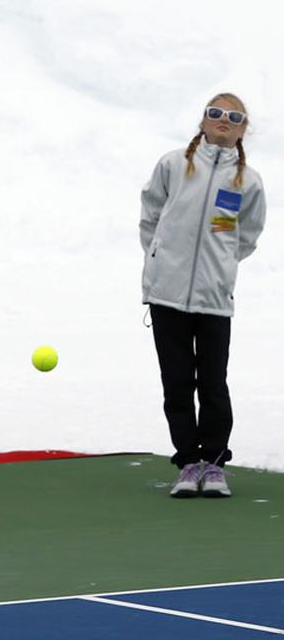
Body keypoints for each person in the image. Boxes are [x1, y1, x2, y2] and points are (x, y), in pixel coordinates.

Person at [139, 93, 265, 499]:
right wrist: (159, 259)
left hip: (213, 298)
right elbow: (150, 213)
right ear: (203, 120)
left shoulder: (249, 181)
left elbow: (247, 236)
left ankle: (213, 465)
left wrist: (222, 266)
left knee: (213, 383)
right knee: (177, 383)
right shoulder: (174, 165)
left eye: (233, 116)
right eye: (215, 113)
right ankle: (187, 463)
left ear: (244, 128)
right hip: (167, 295)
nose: (222, 120)